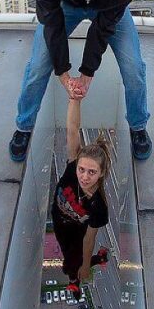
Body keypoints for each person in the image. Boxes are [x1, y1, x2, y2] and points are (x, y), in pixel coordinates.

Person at [9, 0, 151, 163]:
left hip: (107, 7)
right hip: (66, 5)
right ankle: (24, 126)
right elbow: (51, 23)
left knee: (134, 68)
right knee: (38, 67)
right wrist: (63, 73)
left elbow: (103, 29)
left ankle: (138, 126)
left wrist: (86, 74)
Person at [52, 98, 110, 298]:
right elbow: (72, 129)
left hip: (77, 234)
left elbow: (89, 239)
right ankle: (97, 260)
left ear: (101, 173)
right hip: (59, 224)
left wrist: (86, 265)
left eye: (92, 172)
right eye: (82, 169)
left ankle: (75, 279)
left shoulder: (98, 207)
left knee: (71, 264)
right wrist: (74, 99)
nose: (84, 177)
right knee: (70, 261)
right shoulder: (71, 167)